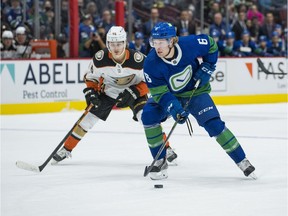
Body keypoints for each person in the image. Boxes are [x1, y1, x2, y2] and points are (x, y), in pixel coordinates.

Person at [141, 22, 256, 180]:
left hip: (195, 92)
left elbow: (211, 44)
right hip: (170, 95)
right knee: (148, 115)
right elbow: (160, 93)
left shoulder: (189, 44)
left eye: (161, 42)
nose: (157, 47)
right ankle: (160, 160)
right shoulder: (151, 64)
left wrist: (208, 66)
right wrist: (174, 109)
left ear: (172, 41)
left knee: (214, 125)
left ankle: (242, 160)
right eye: (154, 42)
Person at [51, 26, 177, 165]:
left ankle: (166, 148)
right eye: (112, 44)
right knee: (88, 119)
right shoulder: (100, 59)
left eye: (119, 44)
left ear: (125, 43)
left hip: (134, 92)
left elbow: (151, 79)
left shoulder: (139, 59)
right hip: (108, 92)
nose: (116, 48)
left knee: (146, 118)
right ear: (107, 44)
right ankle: (66, 148)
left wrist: (135, 91)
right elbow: (90, 78)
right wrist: (91, 92)